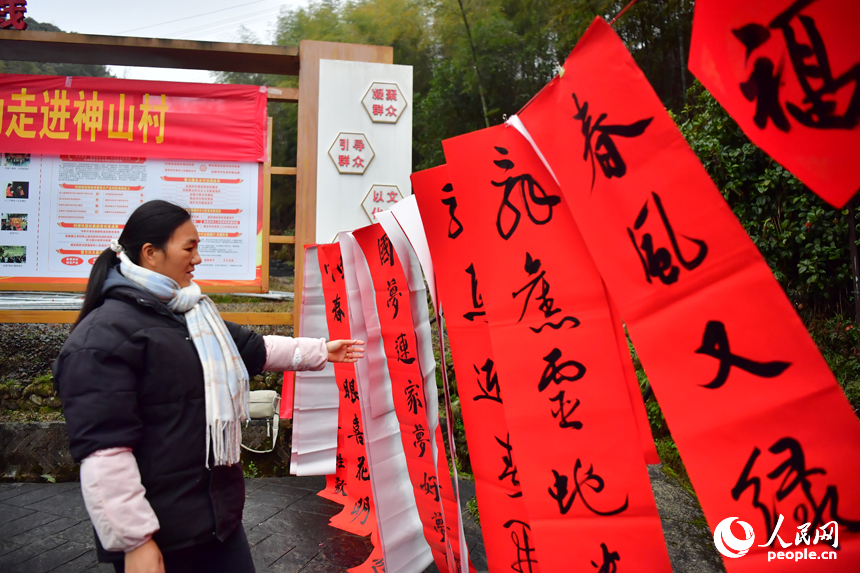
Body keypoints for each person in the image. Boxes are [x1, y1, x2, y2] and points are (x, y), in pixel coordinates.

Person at [54, 200, 365, 573]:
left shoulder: (191, 316)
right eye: (189, 247)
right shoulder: (102, 338)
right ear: (150, 253)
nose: (197, 258)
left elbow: (253, 348)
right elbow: (105, 451)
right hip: (160, 535)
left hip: (217, 522)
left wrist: (320, 351)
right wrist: (135, 541)